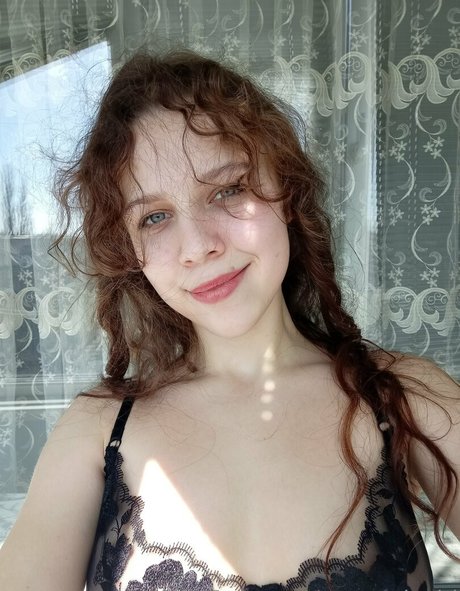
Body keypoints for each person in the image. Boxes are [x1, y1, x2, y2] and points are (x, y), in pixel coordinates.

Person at [0, 49, 459, 591]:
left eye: (227, 190)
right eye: (155, 217)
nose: (197, 246)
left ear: (286, 192)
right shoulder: (96, 435)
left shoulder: (406, 396)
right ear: (129, 250)